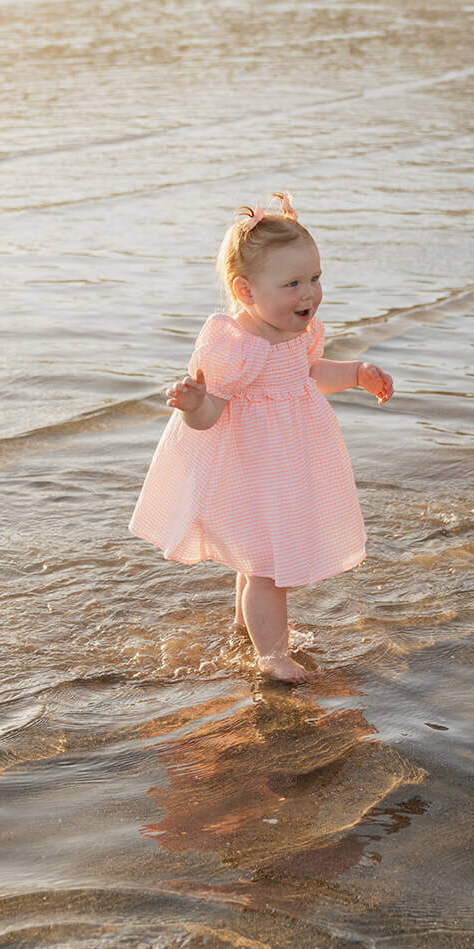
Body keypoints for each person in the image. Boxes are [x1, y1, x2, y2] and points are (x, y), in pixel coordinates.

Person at [130, 194, 393, 681]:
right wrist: (193, 405)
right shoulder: (236, 344)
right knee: (270, 565)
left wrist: (355, 372)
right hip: (250, 469)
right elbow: (210, 415)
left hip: (287, 467)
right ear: (246, 291)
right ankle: (271, 655)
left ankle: (246, 630)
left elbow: (311, 374)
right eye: (292, 283)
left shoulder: (299, 333)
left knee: (261, 561)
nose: (309, 293)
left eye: (314, 278)